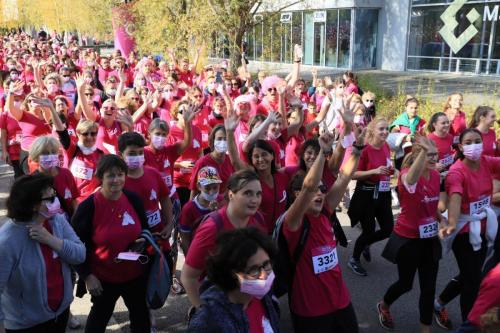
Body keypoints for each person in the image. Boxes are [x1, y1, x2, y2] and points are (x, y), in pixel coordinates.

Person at [282, 128, 363, 333]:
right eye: (313, 190)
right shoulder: (292, 222)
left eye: (323, 189)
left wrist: (358, 148)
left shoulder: (325, 211)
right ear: (297, 195)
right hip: (310, 309)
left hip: (340, 301)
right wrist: (322, 152)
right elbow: (309, 187)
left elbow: (344, 177)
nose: (319, 194)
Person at [71, 155, 151, 333]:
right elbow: (74, 246)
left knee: (141, 320)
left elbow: (145, 230)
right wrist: (87, 276)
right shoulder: (88, 207)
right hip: (103, 279)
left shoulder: (133, 199)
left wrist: (141, 243)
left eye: (120, 174)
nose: (116, 180)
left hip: (135, 276)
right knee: (97, 322)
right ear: (101, 177)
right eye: (110, 175)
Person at [0, 173, 85, 333]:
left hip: (59, 315)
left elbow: (80, 254)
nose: (56, 201)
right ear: (33, 205)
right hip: (26, 325)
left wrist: (51, 240)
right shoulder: (7, 241)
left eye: (55, 195)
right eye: (50, 198)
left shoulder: (57, 221)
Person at [377, 135, 444, 333]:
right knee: (406, 284)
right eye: (428, 155)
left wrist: (443, 219)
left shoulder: (436, 176)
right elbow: (411, 181)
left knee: (429, 287)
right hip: (408, 240)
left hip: (429, 239)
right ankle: (384, 305)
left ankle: (425, 328)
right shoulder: (407, 174)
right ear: (417, 156)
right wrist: (424, 152)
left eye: (435, 155)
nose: (432, 159)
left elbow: (431, 203)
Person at [434, 128, 500, 329]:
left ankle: (439, 303)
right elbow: (455, 197)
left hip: (484, 227)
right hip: (463, 232)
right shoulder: (456, 171)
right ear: (461, 147)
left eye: (477, 141)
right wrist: (452, 222)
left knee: (470, 274)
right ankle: (469, 324)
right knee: (473, 281)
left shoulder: (487, 162)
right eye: (469, 142)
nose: (474, 145)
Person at [181, 169, 266, 308]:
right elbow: (188, 277)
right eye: (247, 193)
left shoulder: (258, 218)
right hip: (220, 304)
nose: (255, 200)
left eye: (258, 194)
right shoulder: (212, 228)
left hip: (250, 301)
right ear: (231, 194)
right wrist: (204, 311)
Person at [188, 228, 280, 333]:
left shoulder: (264, 299)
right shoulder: (208, 322)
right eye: (253, 270)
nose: (264, 276)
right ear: (232, 274)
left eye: (266, 264)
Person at [348, 117, 395, 276]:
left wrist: (391, 171)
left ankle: (365, 244)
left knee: (388, 229)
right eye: (381, 129)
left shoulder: (386, 146)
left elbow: (387, 166)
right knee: (368, 230)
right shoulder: (365, 149)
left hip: (383, 192)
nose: (385, 131)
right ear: (373, 131)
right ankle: (354, 259)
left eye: (387, 128)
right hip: (366, 193)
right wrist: (374, 171)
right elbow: (352, 174)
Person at [28, 135, 79, 217]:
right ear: (36, 156)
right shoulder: (31, 181)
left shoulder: (66, 174)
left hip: (68, 222)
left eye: (53, 152)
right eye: (45, 153)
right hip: (45, 225)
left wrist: (76, 219)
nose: (50, 156)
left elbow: (74, 200)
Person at [180, 166, 222, 254]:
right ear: (199, 186)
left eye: (215, 187)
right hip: (198, 252)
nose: (211, 192)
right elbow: (185, 238)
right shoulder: (189, 208)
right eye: (207, 188)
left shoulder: (223, 202)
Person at [189, 125, 234, 197]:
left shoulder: (231, 161)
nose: (222, 142)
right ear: (213, 140)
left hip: (224, 205)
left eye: (226, 139)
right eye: (219, 139)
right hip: (206, 205)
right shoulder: (202, 163)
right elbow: (194, 191)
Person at [427, 112, 454, 212]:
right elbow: (418, 161)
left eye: (448, 122)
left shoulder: (450, 137)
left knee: (451, 203)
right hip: (435, 177)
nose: (447, 125)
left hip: (449, 174)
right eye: (443, 123)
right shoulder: (429, 139)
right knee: (441, 207)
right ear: (434, 125)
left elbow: (453, 152)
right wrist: (433, 166)